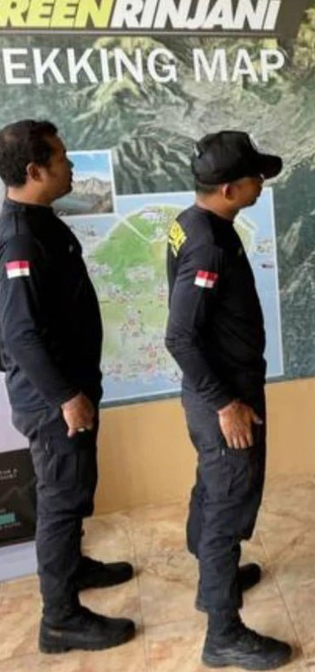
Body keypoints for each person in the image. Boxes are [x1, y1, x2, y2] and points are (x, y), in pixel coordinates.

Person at [0, 120, 135, 653]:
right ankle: (59, 619)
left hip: (67, 391)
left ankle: (73, 567)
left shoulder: (38, 222)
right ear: (35, 171)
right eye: (61, 157)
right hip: (54, 401)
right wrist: (65, 397)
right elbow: (19, 333)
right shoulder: (21, 237)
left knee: (73, 489)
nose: (71, 165)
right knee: (60, 501)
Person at [165, 131, 292, 669]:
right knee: (226, 505)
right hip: (223, 396)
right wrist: (226, 404)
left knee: (214, 488)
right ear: (227, 189)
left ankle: (212, 581)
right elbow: (180, 337)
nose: (261, 182)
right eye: (254, 177)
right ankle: (223, 633)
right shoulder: (208, 247)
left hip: (215, 390)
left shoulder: (193, 223)